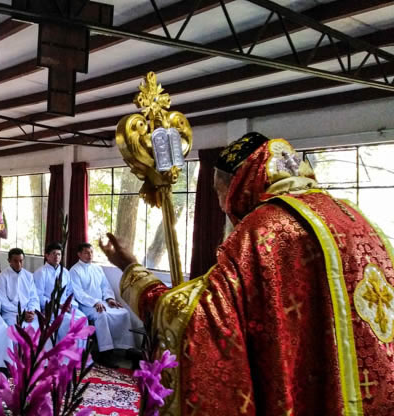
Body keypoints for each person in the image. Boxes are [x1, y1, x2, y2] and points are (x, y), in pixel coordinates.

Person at [102, 133, 394, 414]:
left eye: (219, 193)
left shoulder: (266, 228)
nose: (221, 206)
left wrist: (132, 270)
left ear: (239, 187)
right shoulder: (352, 215)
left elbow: (200, 322)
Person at [69, 243, 134, 357]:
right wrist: (95, 302)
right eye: (86, 253)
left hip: (102, 302)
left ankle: (125, 347)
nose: (90, 255)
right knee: (101, 315)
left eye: (91, 252)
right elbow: (78, 293)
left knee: (123, 312)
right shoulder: (74, 270)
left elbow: (105, 286)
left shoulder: (97, 268)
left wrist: (109, 299)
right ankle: (105, 351)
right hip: (86, 305)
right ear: (79, 254)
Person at [33, 243, 83, 339]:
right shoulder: (40, 273)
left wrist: (69, 304)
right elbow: (39, 296)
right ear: (47, 256)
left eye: (59, 254)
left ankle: (80, 348)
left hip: (66, 307)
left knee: (83, 319)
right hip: (51, 309)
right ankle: (66, 347)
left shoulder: (65, 272)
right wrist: (57, 305)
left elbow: (70, 292)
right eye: (54, 254)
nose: (57, 257)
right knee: (70, 322)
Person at [0, 248, 40, 329]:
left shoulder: (29, 276)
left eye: (21, 261)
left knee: (42, 327)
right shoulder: (2, 277)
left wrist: (31, 311)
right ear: (9, 261)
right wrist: (22, 313)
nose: (19, 264)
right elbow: (3, 301)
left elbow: (34, 297)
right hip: (11, 314)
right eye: (15, 261)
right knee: (20, 329)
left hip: (28, 311)